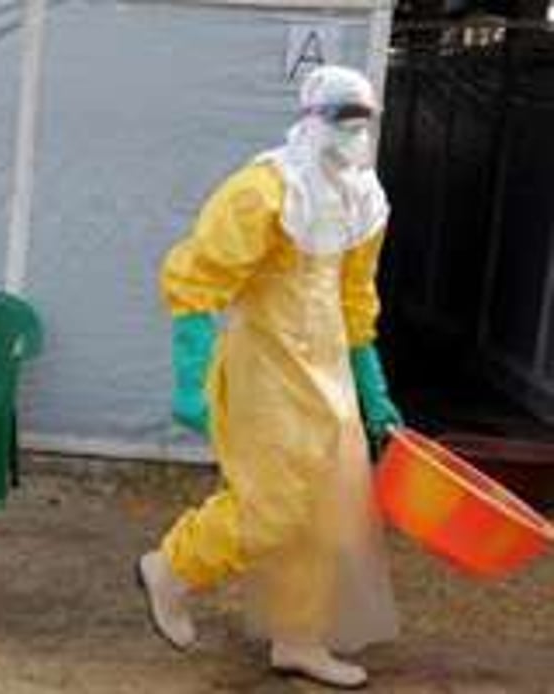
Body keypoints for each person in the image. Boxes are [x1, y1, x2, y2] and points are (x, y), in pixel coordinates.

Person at [135, 65, 402, 689]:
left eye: (363, 119)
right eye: (343, 116)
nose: (353, 131)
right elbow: (198, 280)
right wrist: (189, 374)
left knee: (327, 510)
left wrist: (373, 388)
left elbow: (356, 297)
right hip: (266, 372)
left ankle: (298, 637)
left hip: (327, 372)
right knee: (273, 507)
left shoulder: (364, 199)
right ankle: (170, 568)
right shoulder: (263, 191)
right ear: (312, 118)